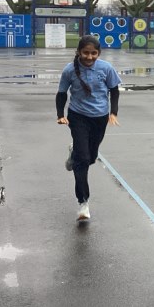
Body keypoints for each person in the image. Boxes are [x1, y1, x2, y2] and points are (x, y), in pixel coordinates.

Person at [56, 35, 121, 221]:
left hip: (100, 117)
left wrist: (113, 112)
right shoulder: (69, 70)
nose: (90, 57)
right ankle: (83, 203)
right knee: (83, 160)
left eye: (94, 53)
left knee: (91, 157)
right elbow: (61, 93)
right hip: (78, 117)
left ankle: (73, 153)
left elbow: (114, 90)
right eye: (86, 53)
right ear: (78, 52)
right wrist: (60, 115)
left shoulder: (106, 68)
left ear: (98, 53)